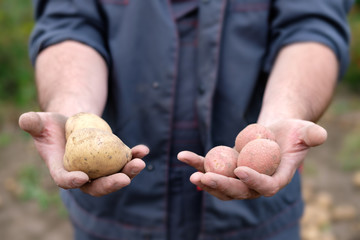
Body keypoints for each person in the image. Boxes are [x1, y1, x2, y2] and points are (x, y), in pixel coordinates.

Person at [19, 0, 352, 239]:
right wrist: (73, 109)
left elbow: (311, 24)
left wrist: (285, 113)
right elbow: (70, 21)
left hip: (257, 223)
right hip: (118, 215)